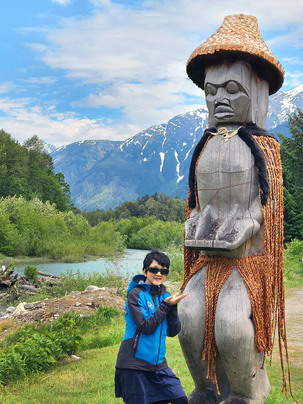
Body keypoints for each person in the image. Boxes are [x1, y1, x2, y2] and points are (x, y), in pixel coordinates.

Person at [115, 249, 189, 404]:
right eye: (154, 269)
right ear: (145, 271)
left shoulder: (165, 296)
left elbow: (173, 331)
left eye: (163, 271)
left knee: (180, 398)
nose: (159, 274)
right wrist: (165, 306)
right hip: (134, 364)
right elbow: (145, 326)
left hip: (158, 365)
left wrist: (172, 307)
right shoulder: (135, 294)